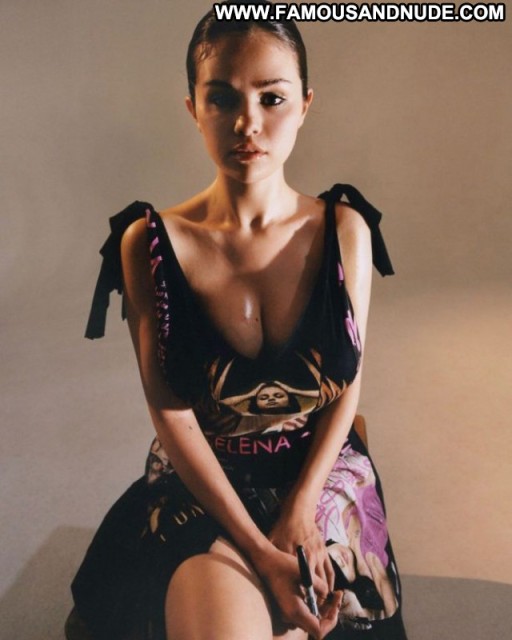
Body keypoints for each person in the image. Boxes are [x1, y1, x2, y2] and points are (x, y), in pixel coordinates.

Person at [70, 2, 408, 639]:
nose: (247, 122)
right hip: (205, 483)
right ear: (193, 108)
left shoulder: (346, 231)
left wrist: (302, 510)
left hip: (319, 478)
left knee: (299, 623)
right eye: (222, 98)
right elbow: (170, 413)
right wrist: (258, 547)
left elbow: (347, 383)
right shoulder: (149, 243)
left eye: (271, 98)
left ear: (304, 105)